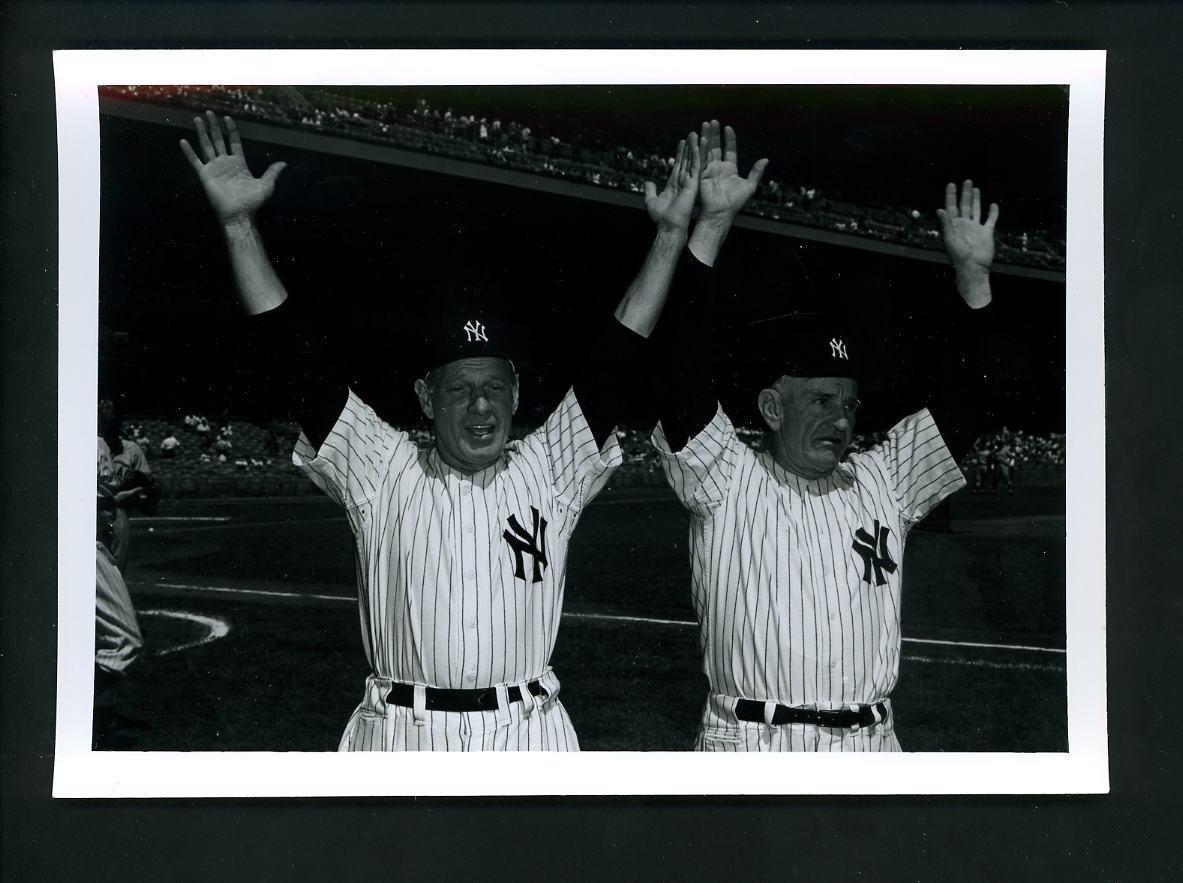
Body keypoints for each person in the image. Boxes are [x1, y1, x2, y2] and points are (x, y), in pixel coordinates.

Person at [180, 111, 708, 751]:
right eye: (459, 388)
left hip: (531, 736)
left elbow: (618, 353)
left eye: (493, 387)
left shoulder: (551, 466)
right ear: (426, 398)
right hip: (401, 736)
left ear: (516, 395)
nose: (480, 406)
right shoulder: (382, 468)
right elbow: (299, 364)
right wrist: (238, 225)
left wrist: (671, 236)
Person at [651, 149, 998, 750]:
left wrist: (973, 278)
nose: (840, 417)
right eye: (820, 401)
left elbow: (973, 399)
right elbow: (679, 368)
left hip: (872, 746)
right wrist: (709, 229)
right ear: (771, 408)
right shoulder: (726, 476)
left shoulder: (884, 479)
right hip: (753, 746)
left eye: (848, 404)